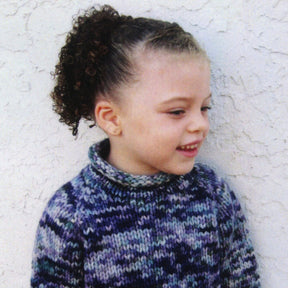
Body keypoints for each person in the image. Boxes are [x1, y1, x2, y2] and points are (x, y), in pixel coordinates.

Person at [31, 4, 261, 287]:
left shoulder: (212, 194)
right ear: (112, 118)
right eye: (177, 111)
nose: (200, 124)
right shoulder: (71, 212)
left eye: (204, 107)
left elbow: (244, 281)